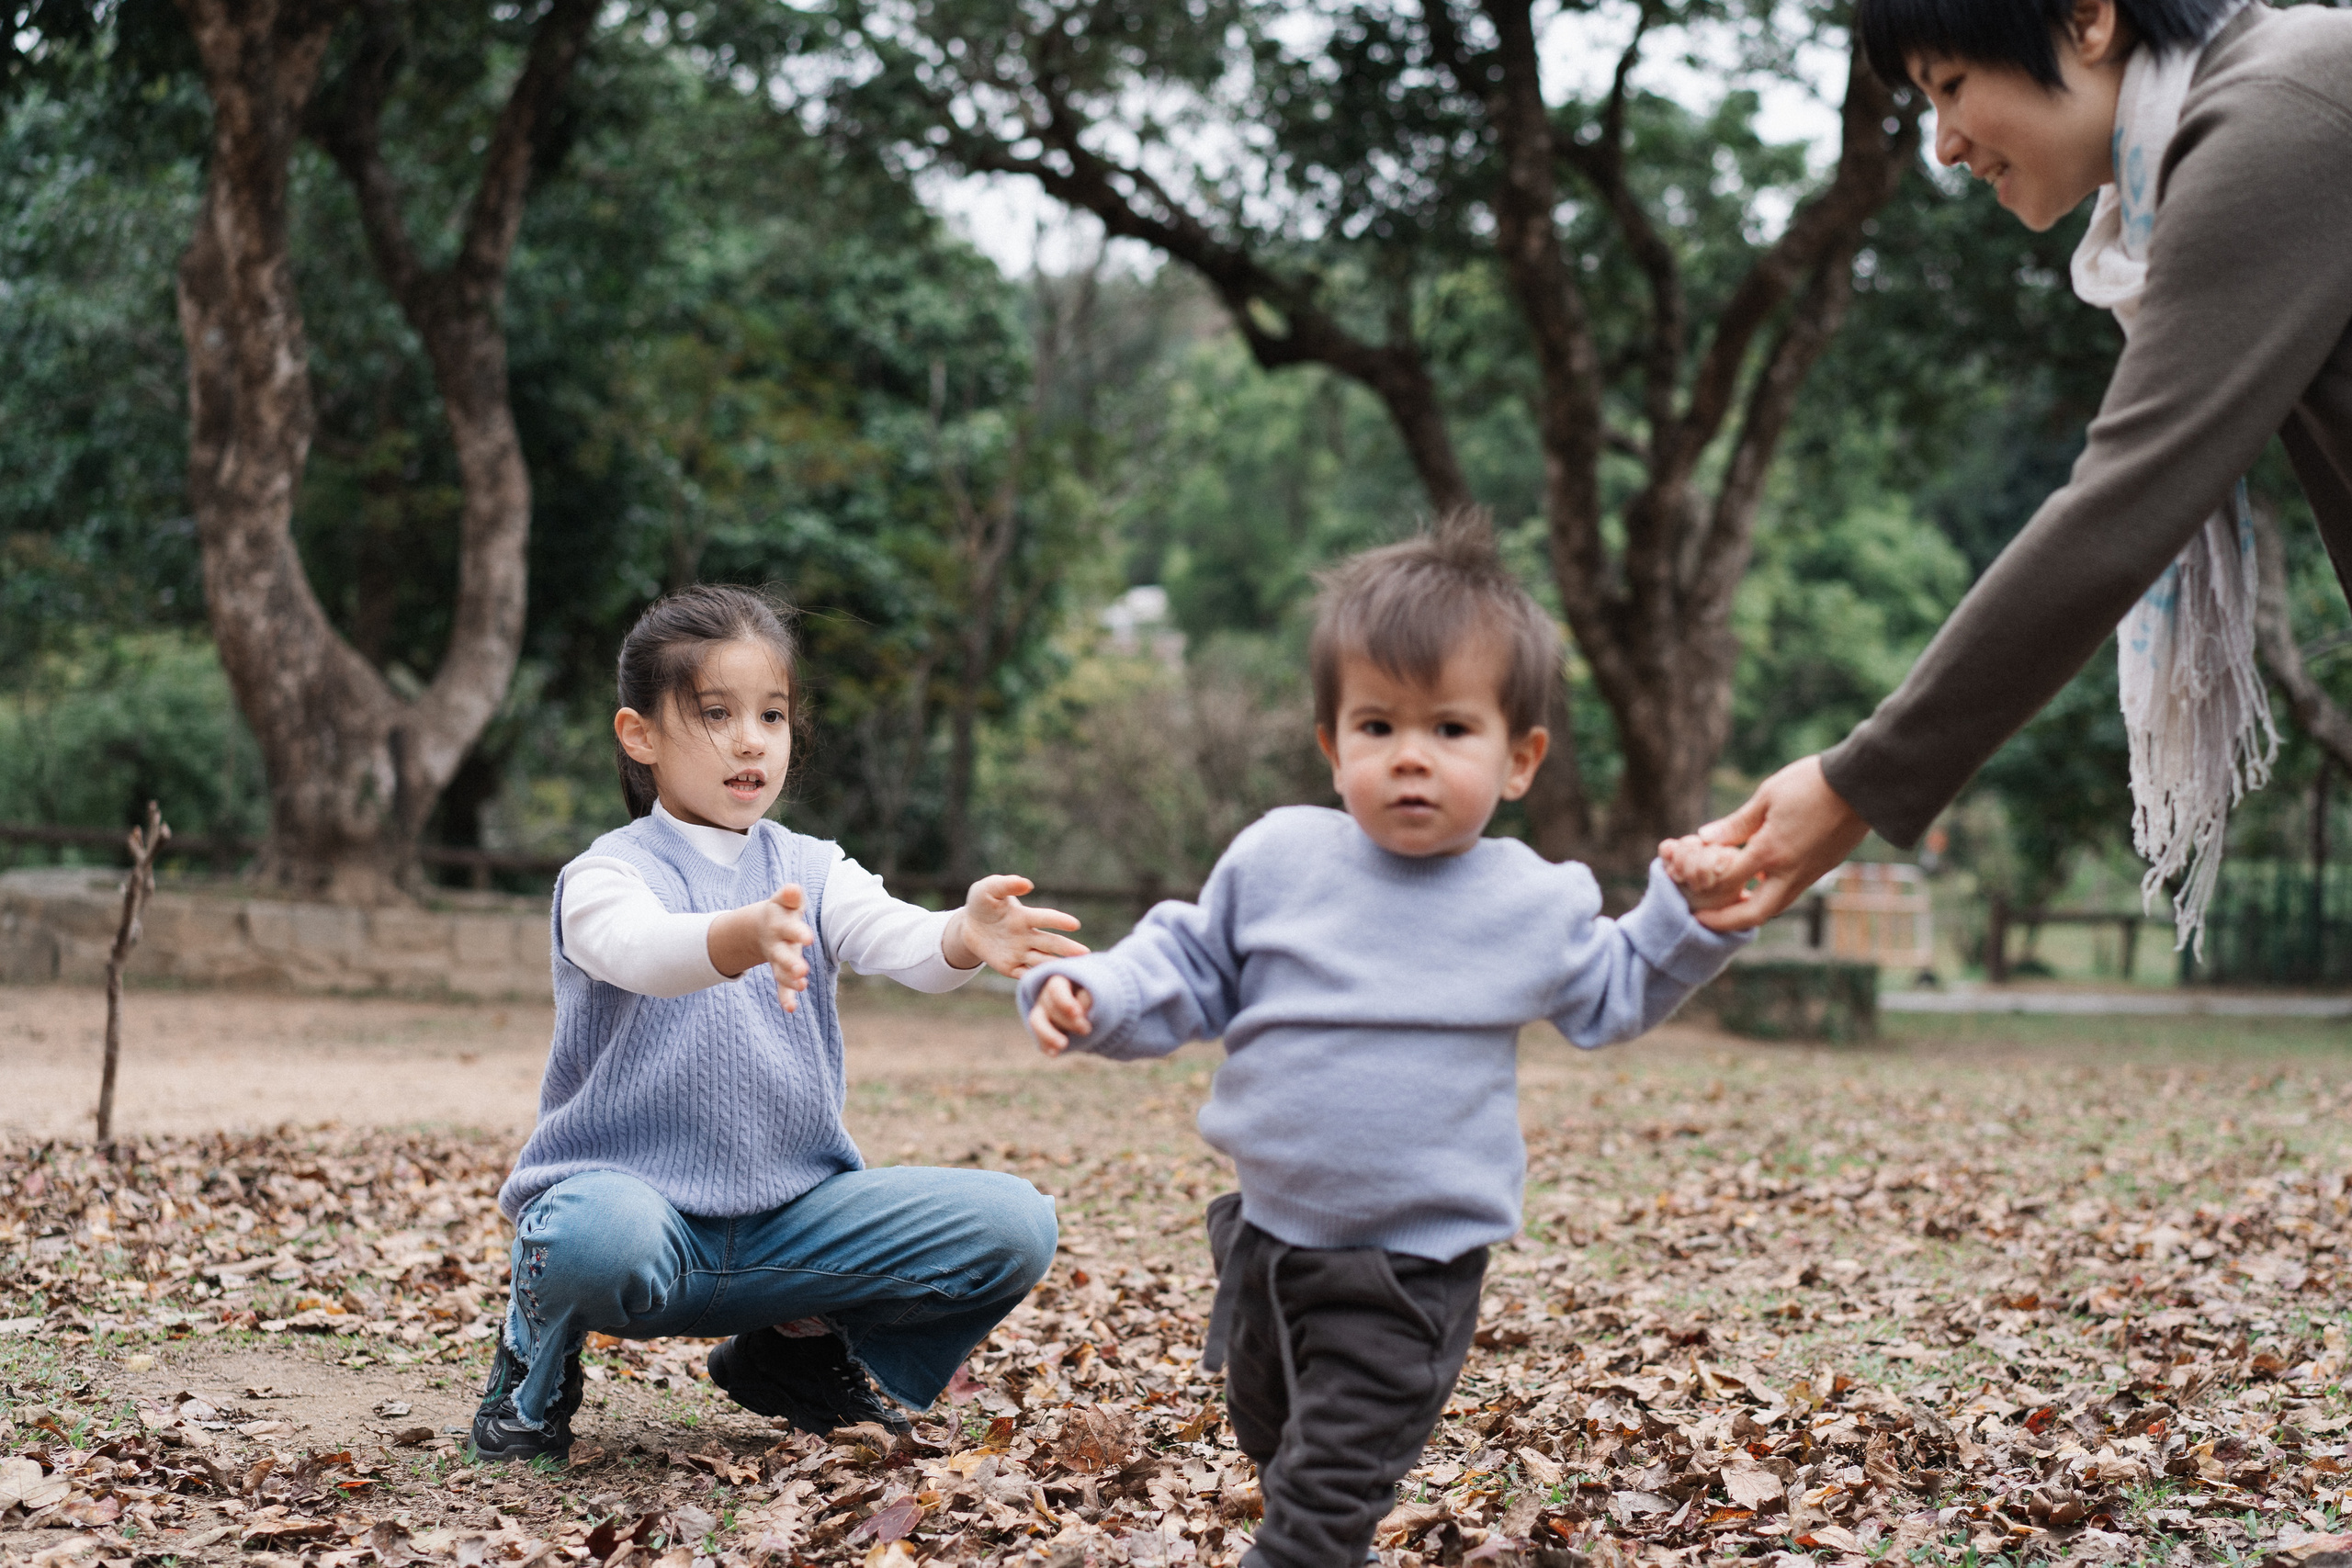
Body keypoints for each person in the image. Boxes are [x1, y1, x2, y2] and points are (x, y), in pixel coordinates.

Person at [1017, 519, 1751, 1568]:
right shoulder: (1277, 861)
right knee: (1276, 1450)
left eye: (1450, 729)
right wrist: (1085, 990)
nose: (1410, 756)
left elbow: (1617, 987)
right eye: (1377, 726)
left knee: (1317, 1509)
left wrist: (1691, 919)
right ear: (1332, 743)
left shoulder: (1526, 899)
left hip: (1410, 1270)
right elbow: (1183, 963)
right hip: (1265, 1244)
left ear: (1519, 759)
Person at [1668, 0, 2352, 930]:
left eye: (1950, 86)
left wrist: (1853, 784)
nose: (1944, 145)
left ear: (2086, 19)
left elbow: (2121, 513)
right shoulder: (2241, 126)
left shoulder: (2277, 111)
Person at [470, 583, 1080, 1463]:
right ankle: (533, 1369)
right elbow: (643, 950)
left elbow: (893, 936)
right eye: (716, 713)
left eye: (772, 714)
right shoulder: (606, 875)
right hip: (643, 1222)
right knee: (592, 1235)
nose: (751, 738)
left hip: (792, 1229)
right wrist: (744, 933)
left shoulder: (812, 867)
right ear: (639, 734)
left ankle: (799, 1359)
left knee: (1015, 1224)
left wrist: (959, 933)